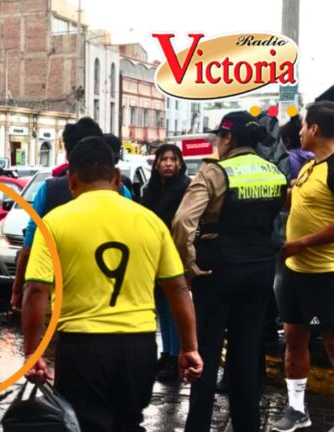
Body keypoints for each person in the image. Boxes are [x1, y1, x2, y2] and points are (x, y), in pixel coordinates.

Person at [22, 137, 202, 432]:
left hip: (81, 348)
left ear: (71, 180)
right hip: (139, 346)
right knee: (128, 423)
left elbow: (37, 290)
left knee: (86, 425)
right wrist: (189, 347)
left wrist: (33, 351)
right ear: (117, 177)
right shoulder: (151, 222)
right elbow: (178, 289)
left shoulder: (53, 223)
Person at [171, 111, 288, 432]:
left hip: (218, 270)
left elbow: (183, 222)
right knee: (247, 353)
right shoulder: (274, 172)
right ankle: (247, 425)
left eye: (218, 138)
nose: (216, 144)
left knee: (205, 353)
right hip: (261, 270)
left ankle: (198, 426)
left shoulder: (214, 172)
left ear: (229, 138)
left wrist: (188, 265)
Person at [271, 101, 334, 432]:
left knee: (331, 341)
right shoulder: (310, 167)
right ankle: (297, 409)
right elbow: (293, 199)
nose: (298, 131)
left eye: (303, 124)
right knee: (294, 338)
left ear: (315, 130)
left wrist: (301, 243)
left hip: (324, 276)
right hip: (293, 273)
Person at [10, 118, 104, 310]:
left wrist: (18, 290)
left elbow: (29, 248)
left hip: (59, 302)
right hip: (108, 302)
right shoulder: (122, 193)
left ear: (68, 154)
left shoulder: (49, 190)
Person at [141, 143, 191, 383]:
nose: (169, 164)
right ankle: (167, 352)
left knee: (173, 307)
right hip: (152, 255)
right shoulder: (150, 189)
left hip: (174, 254)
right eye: (164, 159)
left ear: (180, 163)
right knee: (161, 306)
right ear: (157, 163)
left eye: (173, 159)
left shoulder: (185, 188)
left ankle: (175, 356)